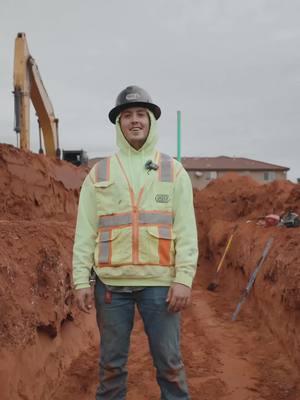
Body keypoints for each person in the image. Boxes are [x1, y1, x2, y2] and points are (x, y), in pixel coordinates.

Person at [72, 85, 198, 400]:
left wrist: (183, 278)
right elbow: (85, 231)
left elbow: (186, 229)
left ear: (151, 120)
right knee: (111, 366)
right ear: (119, 123)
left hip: (160, 286)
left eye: (141, 114)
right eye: (127, 115)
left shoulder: (173, 171)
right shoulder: (100, 172)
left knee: (169, 363)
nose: (135, 120)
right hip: (111, 286)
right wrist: (80, 280)